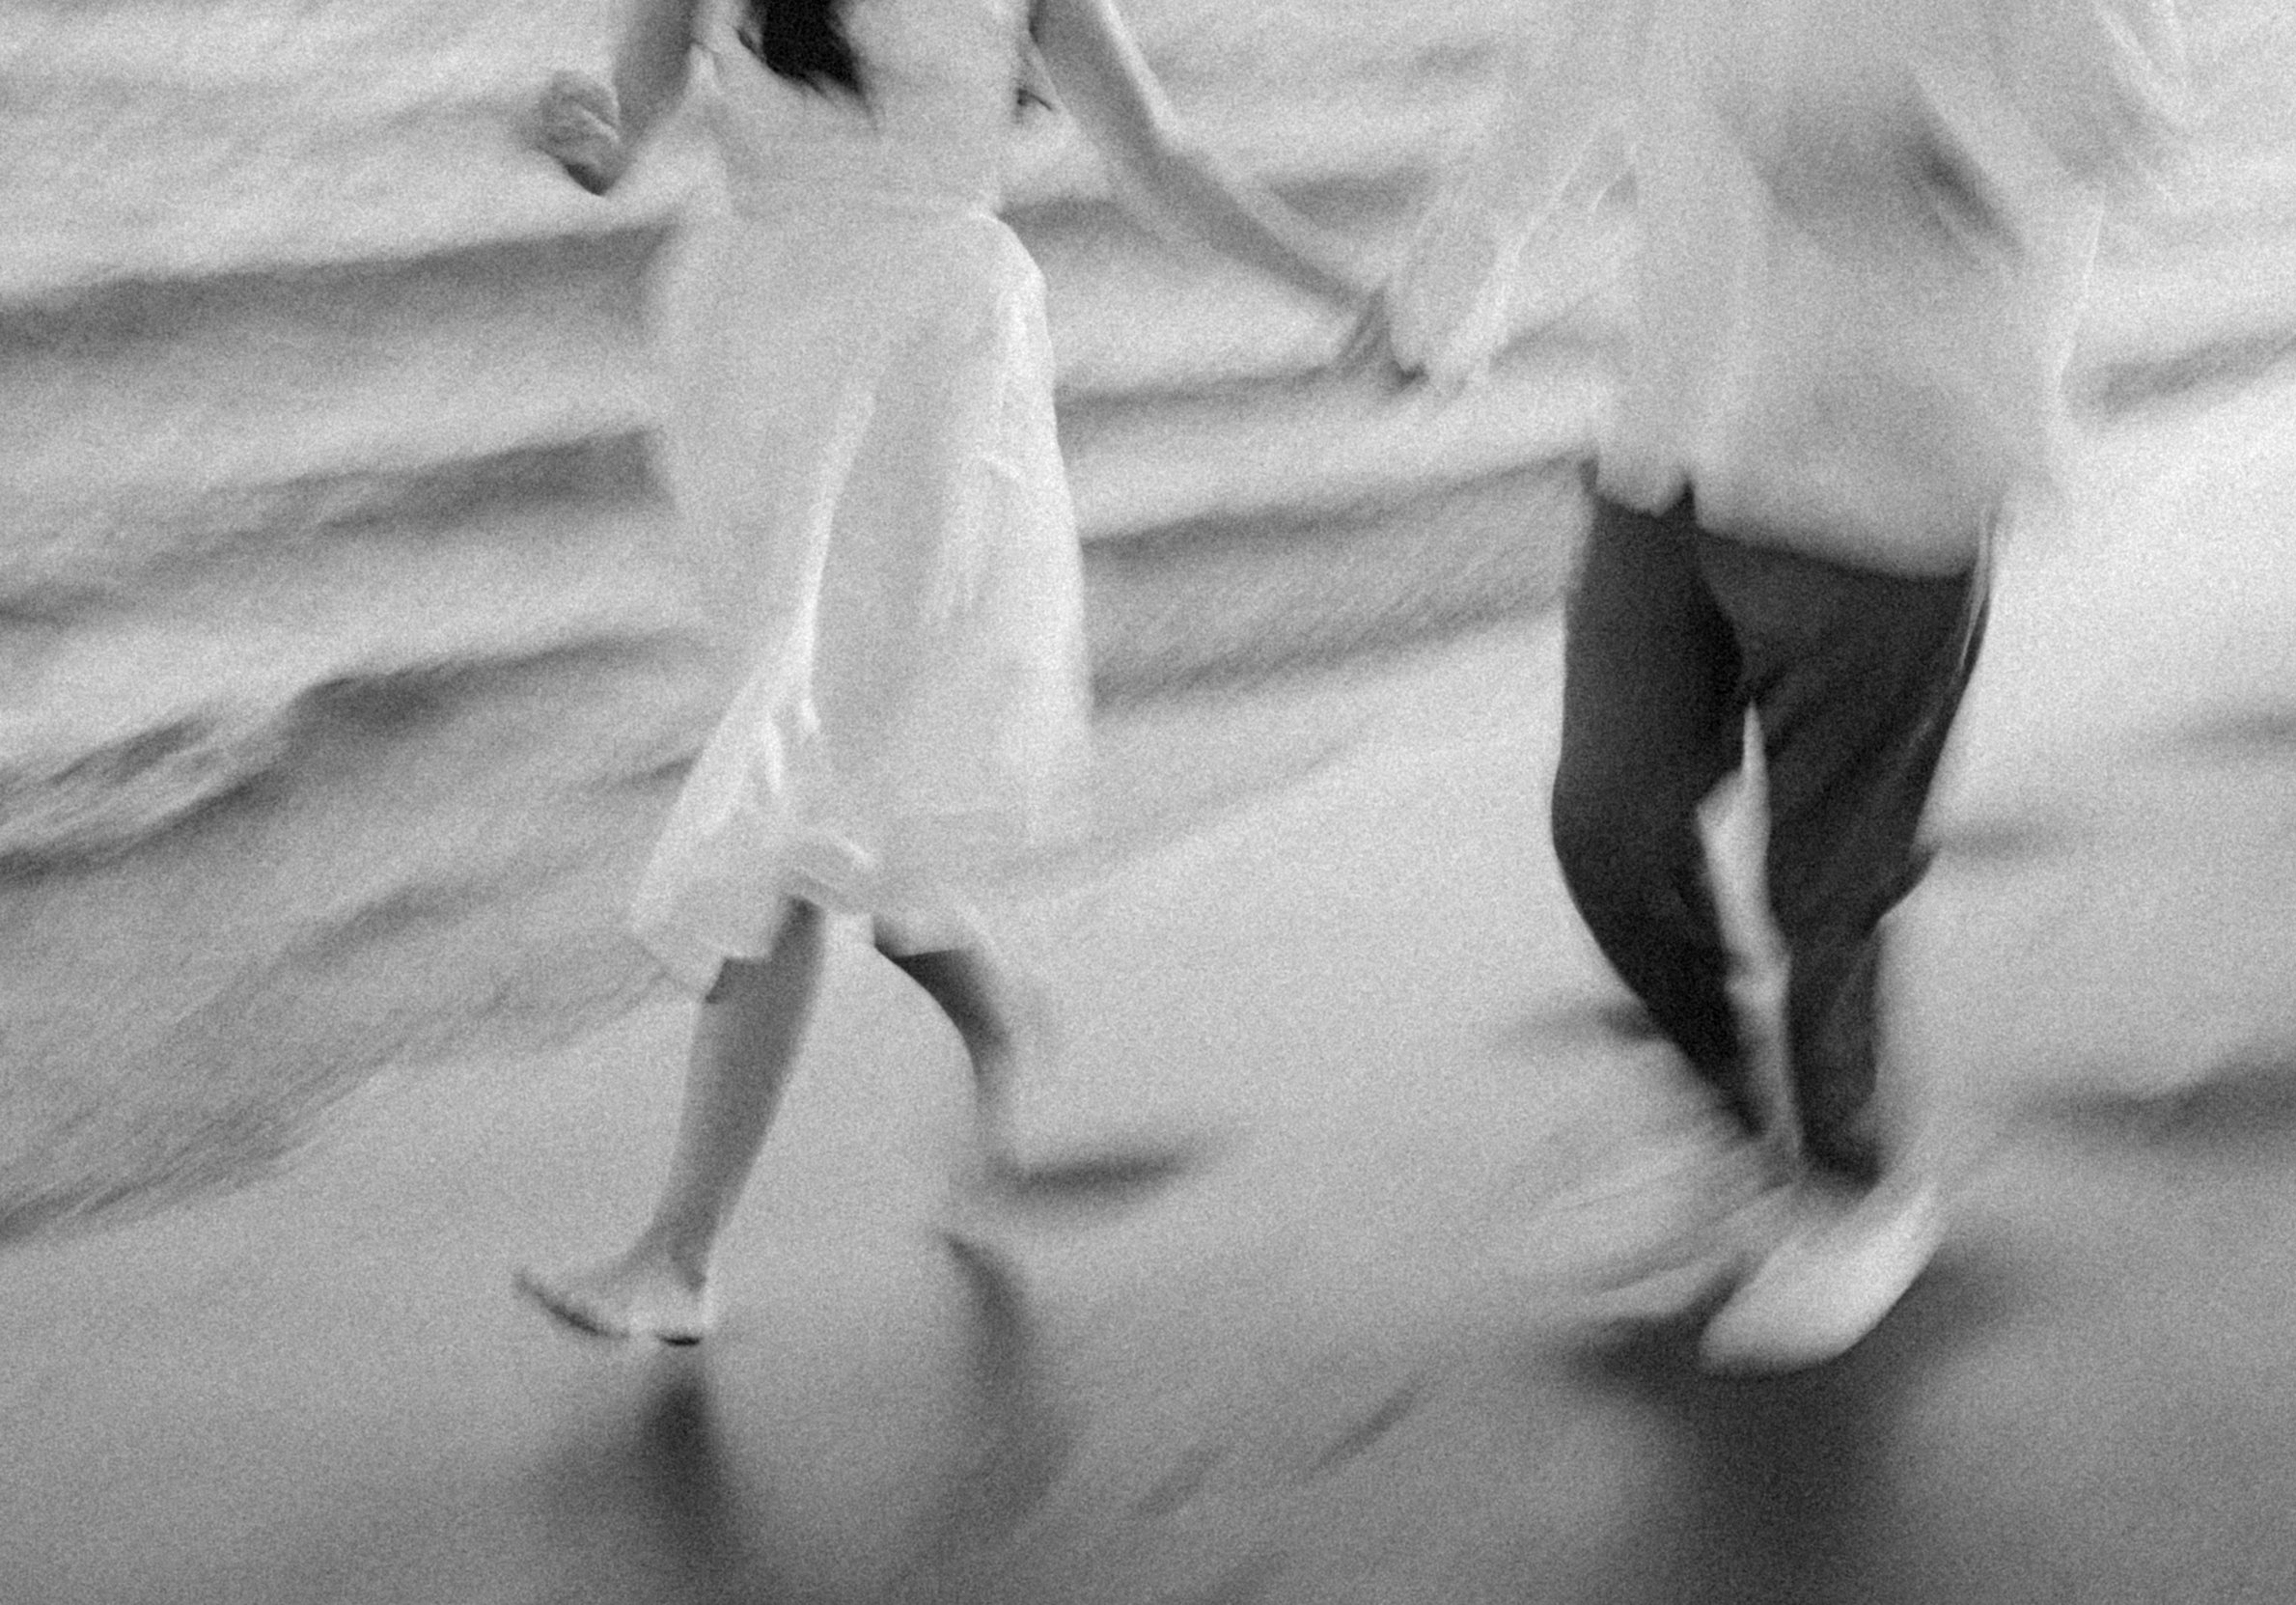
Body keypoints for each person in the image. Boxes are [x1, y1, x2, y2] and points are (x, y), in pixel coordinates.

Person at [515, 0, 1372, 1342]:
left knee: (792, 788)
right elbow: (619, 143)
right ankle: (995, 1019)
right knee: (829, 768)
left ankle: (678, 1256)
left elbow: (1161, 159)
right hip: (753, 373)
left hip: (926, 389)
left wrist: (1357, 297)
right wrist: (579, 133)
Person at [1355, 0, 2186, 1369]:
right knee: (1609, 820)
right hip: (1675, 432)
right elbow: (1548, 95)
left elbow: (2124, 127)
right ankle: (1741, 1136)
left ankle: (1859, 1194)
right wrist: (1435, 305)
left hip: (1892, 438)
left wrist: (1925, 132)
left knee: (1831, 883)